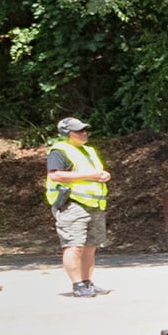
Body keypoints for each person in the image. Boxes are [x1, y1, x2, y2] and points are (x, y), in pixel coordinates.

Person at [47, 116, 111, 295]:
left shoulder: (88, 150)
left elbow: (93, 173)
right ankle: (78, 285)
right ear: (67, 134)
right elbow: (56, 175)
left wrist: (103, 175)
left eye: (85, 130)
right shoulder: (59, 150)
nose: (84, 133)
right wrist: (91, 175)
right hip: (72, 204)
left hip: (95, 204)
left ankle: (87, 282)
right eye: (79, 131)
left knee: (90, 246)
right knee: (74, 246)